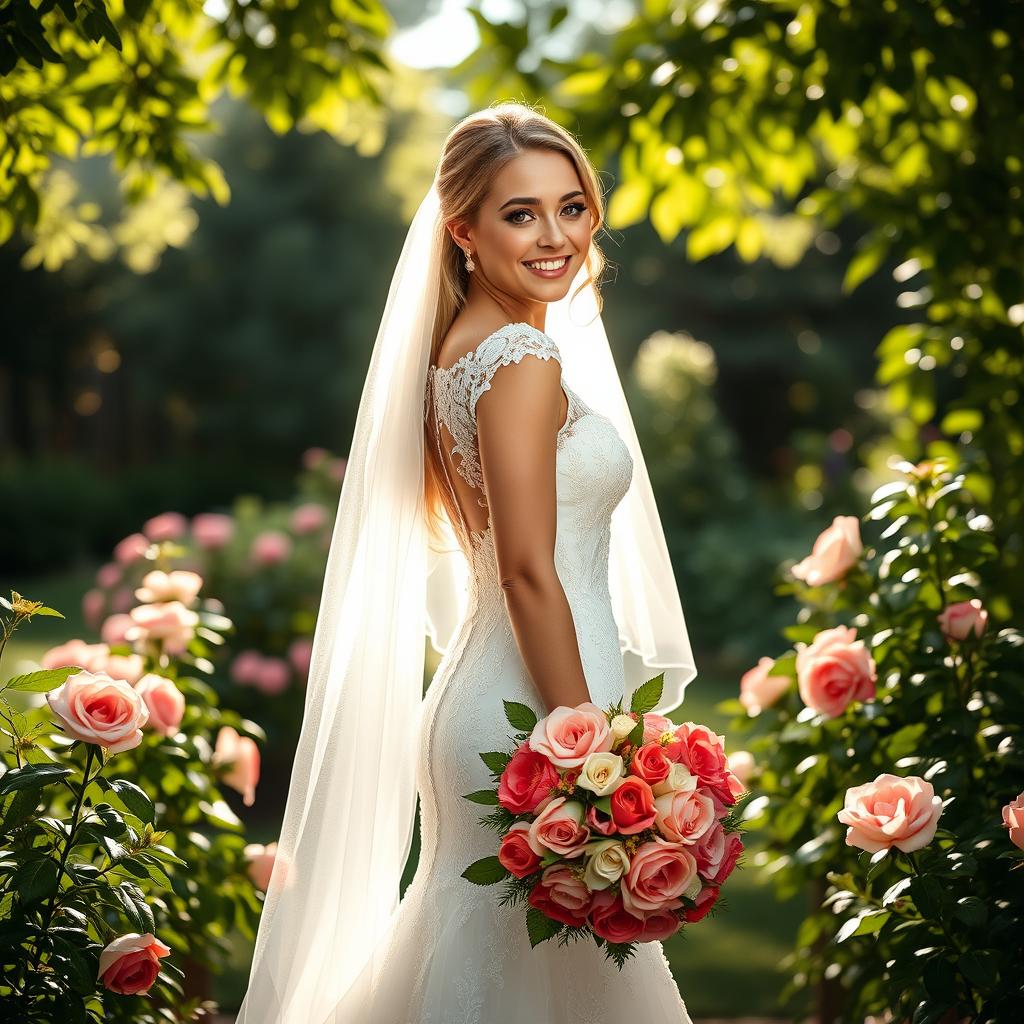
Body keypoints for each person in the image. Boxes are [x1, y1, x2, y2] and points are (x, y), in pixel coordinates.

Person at [236, 102, 698, 1024]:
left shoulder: (465, 349)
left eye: (571, 207)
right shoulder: (519, 358)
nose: (555, 235)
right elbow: (529, 571)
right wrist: (595, 756)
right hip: (536, 708)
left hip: (503, 689)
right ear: (464, 231)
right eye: (520, 213)